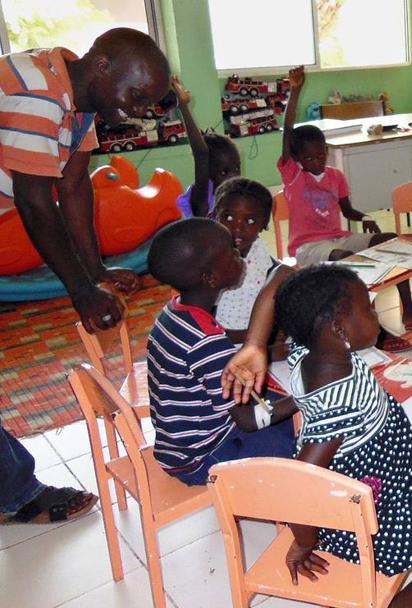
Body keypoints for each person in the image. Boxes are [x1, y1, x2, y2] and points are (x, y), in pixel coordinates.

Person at [1, 27, 170, 525]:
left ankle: (13, 487)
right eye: (136, 95)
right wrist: (79, 290)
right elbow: (36, 201)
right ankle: (17, 492)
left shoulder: (77, 103)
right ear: (102, 65)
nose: (139, 110)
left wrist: (96, 271)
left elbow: (74, 187)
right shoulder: (37, 91)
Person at [273, 265, 412, 607]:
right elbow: (301, 485)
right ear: (339, 329)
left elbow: (280, 280)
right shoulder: (337, 409)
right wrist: (303, 541)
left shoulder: (307, 350)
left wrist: (256, 347)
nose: (376, 313)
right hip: (368, 509)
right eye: (369, 309)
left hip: (387, 471)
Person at [279, 65, 412, 350]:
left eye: (321, 154)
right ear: (297, 158)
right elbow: (288, 131)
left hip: (338, 236)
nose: (317, 160)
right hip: (307, 247)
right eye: (309, 157)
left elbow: (348, 210)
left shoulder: (335, 176)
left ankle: (410, 311)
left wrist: (363, 217)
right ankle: (376, 330)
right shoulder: (294, 176)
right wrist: (295, 91)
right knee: (350, 258)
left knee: (390, 240)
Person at [146, 219, 297, 486]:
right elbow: (249, 421)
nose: (241, 256)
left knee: (275, 400)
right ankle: (283, 499)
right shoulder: (206, 343)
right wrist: (305, 398)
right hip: (202, 458)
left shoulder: (176, 312)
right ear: (211, 277)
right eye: (232, 252)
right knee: (292, 432)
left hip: (177, 446)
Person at [212, 177, 292, 347]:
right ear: (216, 214)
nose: (237, 228)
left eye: (249, 221)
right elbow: (205, 329)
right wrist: (263, 342)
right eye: (228, 217)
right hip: (226, 347)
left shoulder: (257, 248)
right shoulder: (210, 262)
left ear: (263, 224)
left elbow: (274, 275)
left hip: (260, 334)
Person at [171, 76, 241, 217]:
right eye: (224, 173)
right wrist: (183, 106)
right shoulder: (202, 200)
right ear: (206, 173)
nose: (233, 177)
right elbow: (201, 153)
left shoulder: (235, 198)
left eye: (237, 169)